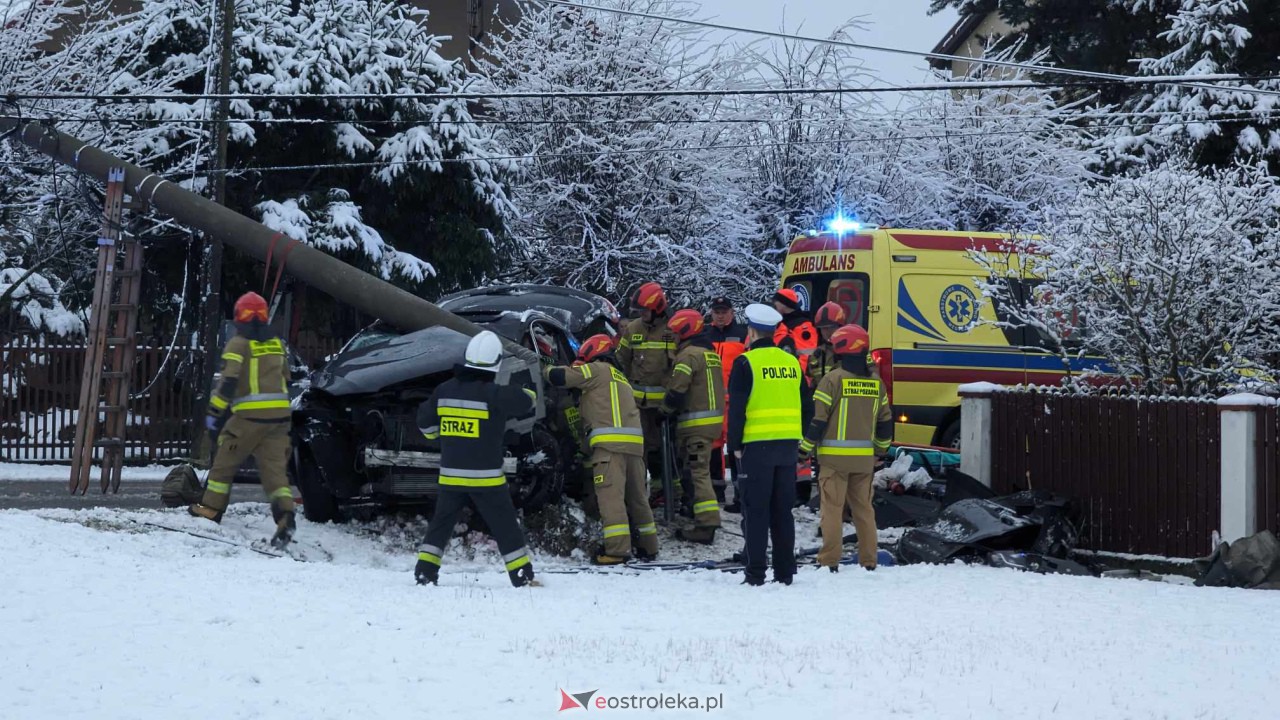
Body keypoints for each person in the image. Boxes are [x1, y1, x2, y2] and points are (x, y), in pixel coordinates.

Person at [414, 331, 538, 587]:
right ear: (495, 362)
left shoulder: (443, 390)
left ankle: (425, 571)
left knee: (441, 523)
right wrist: (532, 392)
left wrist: (442, 435)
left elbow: (424, 424)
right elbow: (525, 402)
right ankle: (521, 575)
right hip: (486, 478)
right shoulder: (493, 393)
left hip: (450, 475)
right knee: (504, 524)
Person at [189, 292, 296, 549]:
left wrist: (214, 414)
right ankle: (285, 515)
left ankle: (211, 509)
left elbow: (227, 382)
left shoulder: (238, 343)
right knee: (274, 472)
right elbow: (287, 379)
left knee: (224, 463)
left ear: (239, 316)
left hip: (249, 418)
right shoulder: (277, 343)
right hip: (280, 418)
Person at [546, 334, 659, 565]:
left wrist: (544, 367)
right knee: (638, 499)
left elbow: (560, 377)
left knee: (611, 498)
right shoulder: (620, 378)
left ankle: (617, 551)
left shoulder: (596, 369)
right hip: (634, 448)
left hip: (609, 448)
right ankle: (649, 547)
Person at [726, 304, 813, 586]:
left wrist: (734, 445)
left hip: (755, 447)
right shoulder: (791, 362)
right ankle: (785, 572)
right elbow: (807, 406)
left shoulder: (745, 363)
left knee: (756, 511)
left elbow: (736, 410)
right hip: (787, 447)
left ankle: (755, 573)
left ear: (751, 331)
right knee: (782, 512)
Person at [800, 324, 893, 571]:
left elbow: (818, 420)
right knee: (864, 510)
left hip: (833, 460)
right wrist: (880, 452)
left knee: (832, 510)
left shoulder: (832, 380)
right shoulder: (876, 383)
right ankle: (869, 560)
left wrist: (804, 448)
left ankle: (829, 560)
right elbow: (885, 423)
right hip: (864, 461)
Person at [661, 309, 725, 544]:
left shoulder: (688, 356)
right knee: (696, 471)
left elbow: (677, 390)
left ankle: (706, 525)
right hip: (710, 424)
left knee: (699, 473)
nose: (674, 339)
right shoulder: (709, 354)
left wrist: (664, 411)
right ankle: (698, 511)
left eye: (676, 334)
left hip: (695, 424)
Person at [616, 281, 678, 502]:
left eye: (646, 310)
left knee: (668, 451)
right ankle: (641, 493)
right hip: (637, 406)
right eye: (640, 311)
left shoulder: (673, 330)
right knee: (639, 450)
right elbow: (620, 360)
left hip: (666, 407)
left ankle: (672, 492)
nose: (642, 315)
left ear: (658, 308)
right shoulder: (634, 329)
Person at [706, 296, 747, 507]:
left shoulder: (742, 334)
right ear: (712, 313)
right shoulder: (705, 334)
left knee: (735, 445)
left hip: (735, 401)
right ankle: (717, 491)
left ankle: (740, 493)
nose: (720, 315)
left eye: (724, 311)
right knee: (714, 446)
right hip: (712, 400)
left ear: (732, 312)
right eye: (717, 311)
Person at [771, 289, 819, 373]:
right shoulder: (780, 322)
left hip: (794, 375)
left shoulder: (803, 327)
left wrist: (798, 378)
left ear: (784, 304)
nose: (773, 306)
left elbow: (805, 357)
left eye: (775, 302)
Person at [806, 301, 848, 388]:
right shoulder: (816, 356)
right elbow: (811, 385)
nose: (827, 332)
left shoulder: (854, 350)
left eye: (831, 327)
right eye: (823, 328)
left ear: (841, 327)